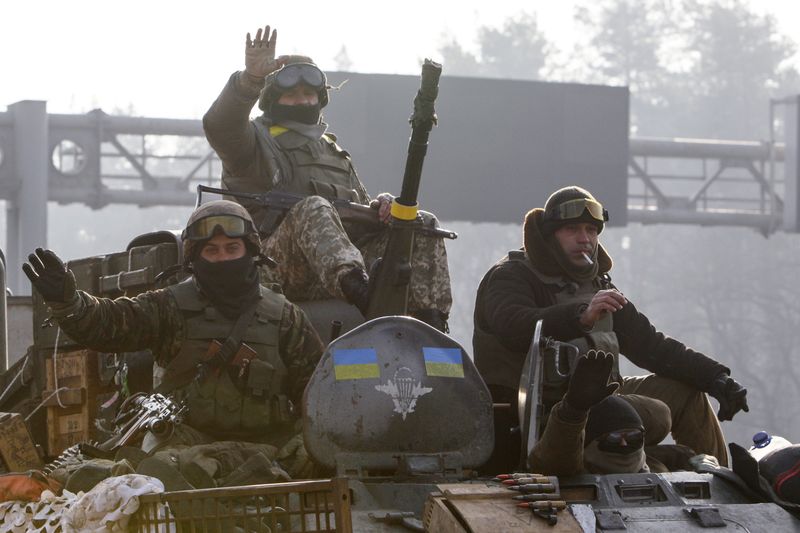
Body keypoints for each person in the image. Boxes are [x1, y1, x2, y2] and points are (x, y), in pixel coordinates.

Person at [22, 200, 324, 478]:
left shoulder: (285, 317)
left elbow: (317, 393)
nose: (223, 258)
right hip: (186, 450)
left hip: (269, 452)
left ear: (251, 252)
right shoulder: (169, 307)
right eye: (212, 251)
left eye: (232, 249)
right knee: (154, 472)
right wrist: (68, 302)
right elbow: (109, 322)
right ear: (195, 257)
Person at [473, 186, 749, 467]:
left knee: (687, 393)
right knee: (657, 413)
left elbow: (652, 347)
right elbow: (513, 326)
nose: (585, 239)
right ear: (550, 234)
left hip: (603, 397)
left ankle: (719, 481)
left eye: (591, 230)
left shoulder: (598, 284)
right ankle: (664, 463)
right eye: (572, 230)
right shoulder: (511, 276)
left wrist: (716, 378)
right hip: (542, 413)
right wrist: (580, 317)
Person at [202, 25, 452, 331]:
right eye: (292, 95)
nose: (303, 101)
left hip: (332, 272)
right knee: (313, 207)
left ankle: (433, 326)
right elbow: (219, 125)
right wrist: (250, 80)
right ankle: (366, 301)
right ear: (271, 100)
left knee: (419, 224)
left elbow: (358, 217)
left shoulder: (332, 151)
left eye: (309, 93)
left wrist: (382, 208)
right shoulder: (253, 144)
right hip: (270, 269)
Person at [530, 350, 672, 476]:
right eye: (614, 438)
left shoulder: (658, 468)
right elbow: (555, 460)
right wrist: (573, 411)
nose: (624, 445)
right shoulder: (572, 473)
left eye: (634, 437)